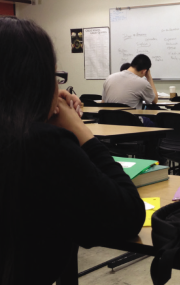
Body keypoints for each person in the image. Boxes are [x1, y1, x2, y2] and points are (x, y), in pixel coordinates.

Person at [0, 17, 145, 285]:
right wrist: (80, 130)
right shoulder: (42, 145)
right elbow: (128, 216)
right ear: (37, 80)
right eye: (55, 77)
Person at [102, 54, 158, 126]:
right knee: (157, 125)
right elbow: (155, 100)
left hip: (109, 123)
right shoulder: (142, 83)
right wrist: (149, 77)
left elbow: (103, 102)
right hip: (132, 124)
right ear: (144, 71)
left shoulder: (109, 78)